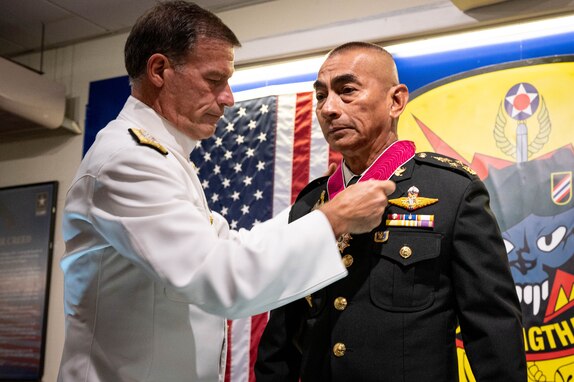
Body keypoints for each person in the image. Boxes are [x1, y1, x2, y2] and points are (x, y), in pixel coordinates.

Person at [57, 5, 396, 382]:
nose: (228, 98)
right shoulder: (127, 161)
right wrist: (333, 219)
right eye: (214, 80)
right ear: (159, 71)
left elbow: (229, 247)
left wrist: (321, 209)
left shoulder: (164, 157)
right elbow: (218, 277)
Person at [255, 42, 527, 381]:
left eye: (347, 91)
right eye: (321, 96)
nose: (329, 108)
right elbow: (282, 336)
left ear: (396, 101)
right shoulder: (311, 204)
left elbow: (492, 328)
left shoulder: (452, 192)